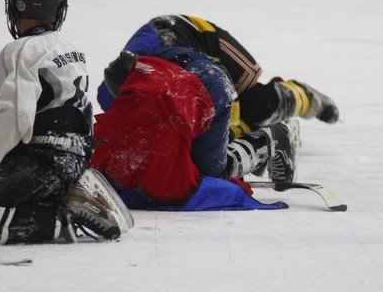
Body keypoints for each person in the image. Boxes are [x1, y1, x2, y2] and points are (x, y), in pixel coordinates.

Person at [0, 0, 129, 243]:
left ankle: (62, 215)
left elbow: (16, 116)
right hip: (76, 156)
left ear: (15, 6)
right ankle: (68, 188)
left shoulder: (19, 50)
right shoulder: (69, 46)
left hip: (45, 160)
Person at [91, 46, 298, 210]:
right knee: (192, 147)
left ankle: (269, 141)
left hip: (208, 91)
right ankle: (228, 142)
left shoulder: (142, 91)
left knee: (212, 172)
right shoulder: (150, 63)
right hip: (206, 82)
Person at [96, 14, 340, 137]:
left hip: (206, 41)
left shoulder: (178, 65)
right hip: (167, 52)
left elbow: (220, 84)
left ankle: (301, 95)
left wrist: (231, 136)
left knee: (259, 106)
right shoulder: (109, 95)